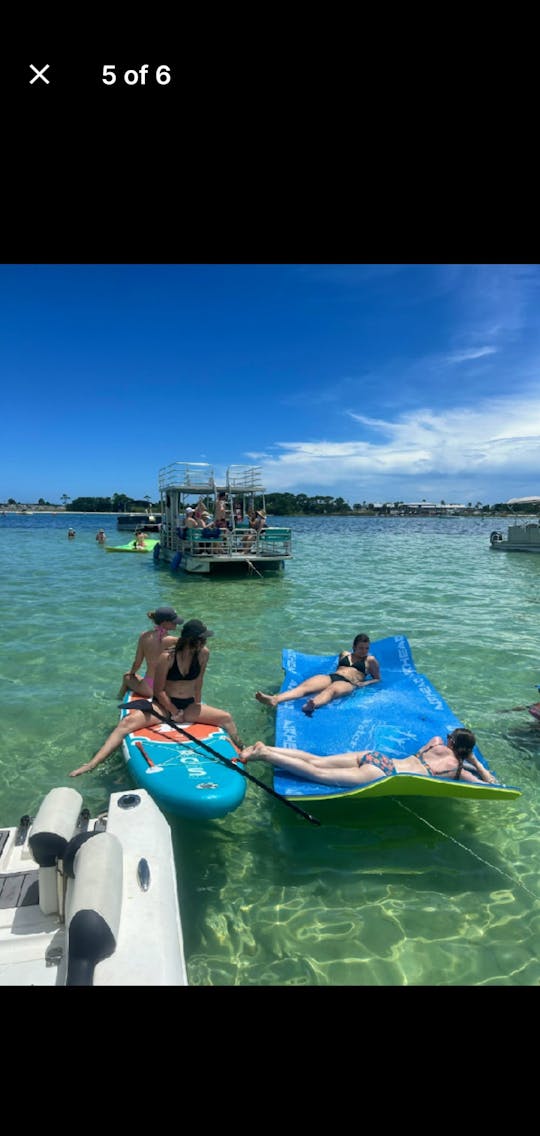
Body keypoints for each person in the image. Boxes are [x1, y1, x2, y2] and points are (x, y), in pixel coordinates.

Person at [69, 618, 242, 777]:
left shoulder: (203, 654)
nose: (205, 641)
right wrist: (174, 712)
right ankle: (92, 764)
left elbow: (199, 682)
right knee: (126, 724)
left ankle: (242, 750)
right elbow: (159, 691)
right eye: (202, 638)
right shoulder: (166, 657)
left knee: (226, 718)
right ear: (192, 639)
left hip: (188, 705)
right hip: (164, 706)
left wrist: (197, 706)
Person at [240, 728, 500, 786]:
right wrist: (475, 762)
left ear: (451, 741)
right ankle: (264, 755)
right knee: (317, 774)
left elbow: (440, 740)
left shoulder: (435, 744)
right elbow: (492, 785)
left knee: (315, 760)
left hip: (378, 757)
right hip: (384, 774)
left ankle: (269, 748)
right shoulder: (458, 771)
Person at [255, 633, 381, 716]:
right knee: (304, 688)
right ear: (354, 646)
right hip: (332, 676)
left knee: (331, 691)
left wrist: (364, 683)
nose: (364, 651)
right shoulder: (344, 654)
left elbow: (377, 679)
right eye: (361, 648)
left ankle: (312, 704)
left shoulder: (370, 660)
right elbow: (338, 668)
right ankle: (275, 699)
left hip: (349, 683)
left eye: (366, 648)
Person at [115, 606, 184, 701]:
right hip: (166, 688)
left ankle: (119, 698)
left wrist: (131, 673)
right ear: (164, 623)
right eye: (174, 621)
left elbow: (137, 663)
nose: (176, 623)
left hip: (149, 687)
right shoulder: (174, 640)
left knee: (126, 677)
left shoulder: (144, 636)